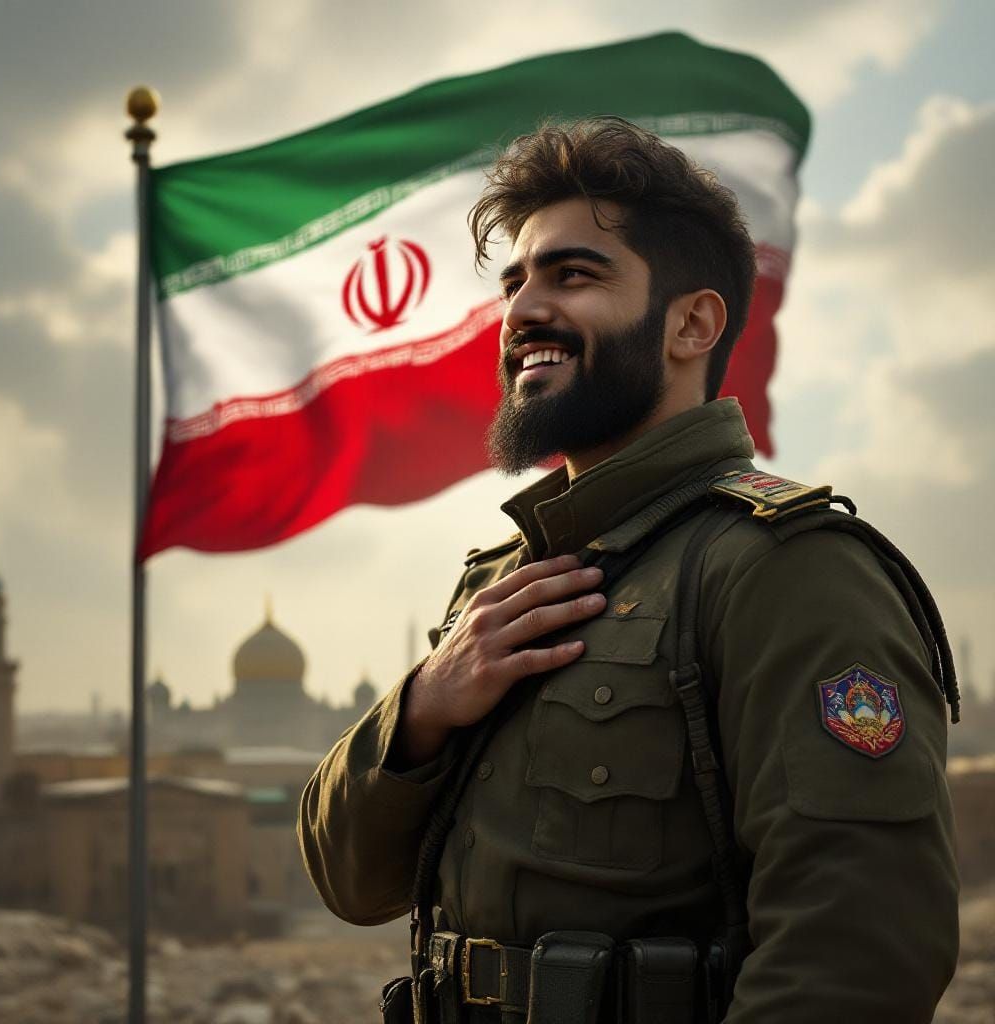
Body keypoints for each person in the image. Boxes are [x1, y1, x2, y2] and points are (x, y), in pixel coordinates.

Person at [298, 118, 959, 1024]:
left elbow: (857, 952)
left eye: (573, 275)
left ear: (692, 324)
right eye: (515, 283)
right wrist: (422, 708)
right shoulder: (500, 587)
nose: (522, 311)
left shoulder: (783, 567)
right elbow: (350, 881)